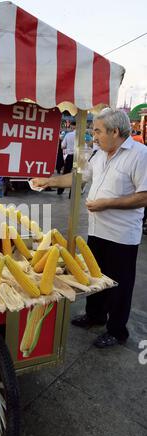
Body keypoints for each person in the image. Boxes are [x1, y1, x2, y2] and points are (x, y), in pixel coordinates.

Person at [31, 108, 147, 348]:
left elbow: (143, 196)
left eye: (97, 131)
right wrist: (50, 181)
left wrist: (107, 204)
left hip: (121, 235)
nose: (93, 136)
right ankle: (94, 316)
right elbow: (79, 178)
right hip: (97, 230)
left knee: (119, 285)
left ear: (115, 131)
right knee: (94, 277)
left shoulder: (140, 155)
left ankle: (117, 330)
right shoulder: (99, 154)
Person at [57, 120, 76, 195]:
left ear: (72, 126)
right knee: (75, 175)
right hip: (77, 157)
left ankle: (60, 191)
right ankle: (72, 193)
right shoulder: (81, 135)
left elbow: (62, 146)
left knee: (65, 174)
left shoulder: (68, 135)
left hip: (70, 157)